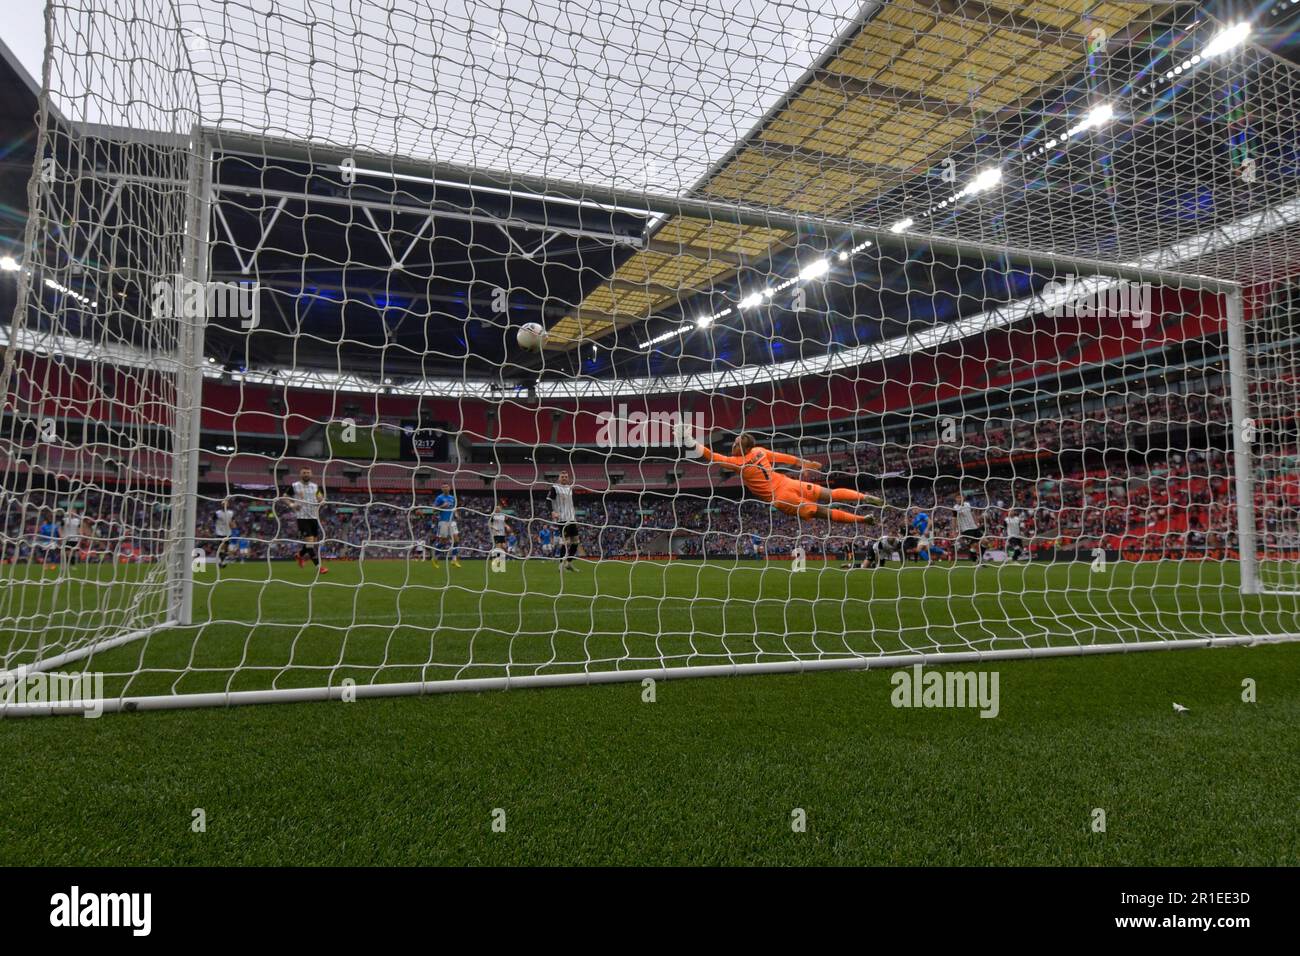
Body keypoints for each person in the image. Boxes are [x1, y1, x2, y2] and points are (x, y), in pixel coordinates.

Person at [677, 426, 880, 524]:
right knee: (831, 493)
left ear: (742, 447)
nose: (732, 445)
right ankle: (864, 497)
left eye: (735, 443)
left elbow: (710, 456)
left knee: (822, 512)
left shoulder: (737, 463)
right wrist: (805, 463)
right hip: (789, 482)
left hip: (782, 497)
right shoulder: (760, 452)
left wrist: (689, 440)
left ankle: (862, 519)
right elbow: (784, 458)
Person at [286, 467, 328, 575]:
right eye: (304, 472)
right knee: (310, 542)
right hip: (302, 517)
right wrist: (292, 504)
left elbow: (320, 497)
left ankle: (299, 554)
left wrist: (322, 501)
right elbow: (284, 497)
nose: (306, 474)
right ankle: (319, 567)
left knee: (311, 543)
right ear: (300, 474)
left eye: (308, 473)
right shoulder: (294, 486)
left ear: (311, 474)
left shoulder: (315, 486)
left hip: (314, 517)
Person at [549, 472, 580, 571]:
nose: (564, 478)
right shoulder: (555, 488)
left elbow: (571, 504)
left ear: (568, 478)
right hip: (562, 518)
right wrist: (552, 511)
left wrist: (574, 515)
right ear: (559, 478)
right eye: (562, 477)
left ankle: (568, 563)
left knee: (576, 541)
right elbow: (548, 500)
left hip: (571, 519)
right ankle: (561, 565)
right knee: (566, 542)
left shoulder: (570, 488)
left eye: (566, 477)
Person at [433, 484, 460, 567]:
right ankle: (435, 558)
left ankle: (454, 560)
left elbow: (454, 508)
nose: (445, 488)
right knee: (443, 542)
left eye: (447, 487)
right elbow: (434, 510)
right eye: (443, 487)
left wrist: (456, 514)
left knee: (456, 540)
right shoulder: (439, 498)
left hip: (452, 521)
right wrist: (442, 506)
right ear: (441, 489)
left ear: (449, 488)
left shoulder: (452, 498)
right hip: (443, 521)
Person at [955, 495, 985, 563]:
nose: (958, 499)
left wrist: (977, 523)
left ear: (963, 498)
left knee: (985, 542)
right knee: (974, 545)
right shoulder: (955, 508)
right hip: (966, 529)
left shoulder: (968, 504)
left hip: (974, 527)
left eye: (960, 497)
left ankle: (979, 559)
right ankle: (977, 561)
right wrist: (955, 530)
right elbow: (954, 519)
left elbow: (972, 514)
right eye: (957, 498)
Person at [214, 498, 235, 567]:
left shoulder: (231, 513)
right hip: (219, 533)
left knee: (225, 549)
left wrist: (232, 524)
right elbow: (213, 521)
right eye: (223, 504)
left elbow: (233, 524)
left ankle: (222, 561)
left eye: (226, 504)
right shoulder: (217, 513)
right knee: (221, 548)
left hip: (228, 533)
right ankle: (221, 561)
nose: (224, 505)